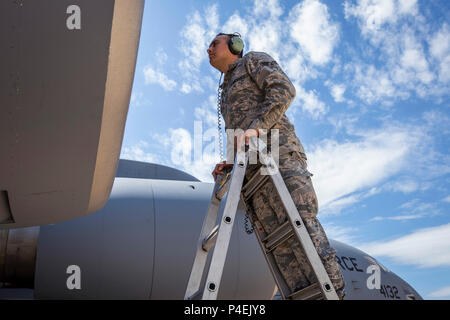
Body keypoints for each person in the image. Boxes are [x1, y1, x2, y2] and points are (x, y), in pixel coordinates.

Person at [207, 32, 346, 300]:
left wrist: (255, 130)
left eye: (215, 43)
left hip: (279, 156)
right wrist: (228, 161)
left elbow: (283, 90)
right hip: (251, 172)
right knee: (279, 246)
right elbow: (238, 133)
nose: (209, 49)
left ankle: (336, 296)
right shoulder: (225, 91)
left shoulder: (252, 61)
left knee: (302, 227)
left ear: (234, 45)